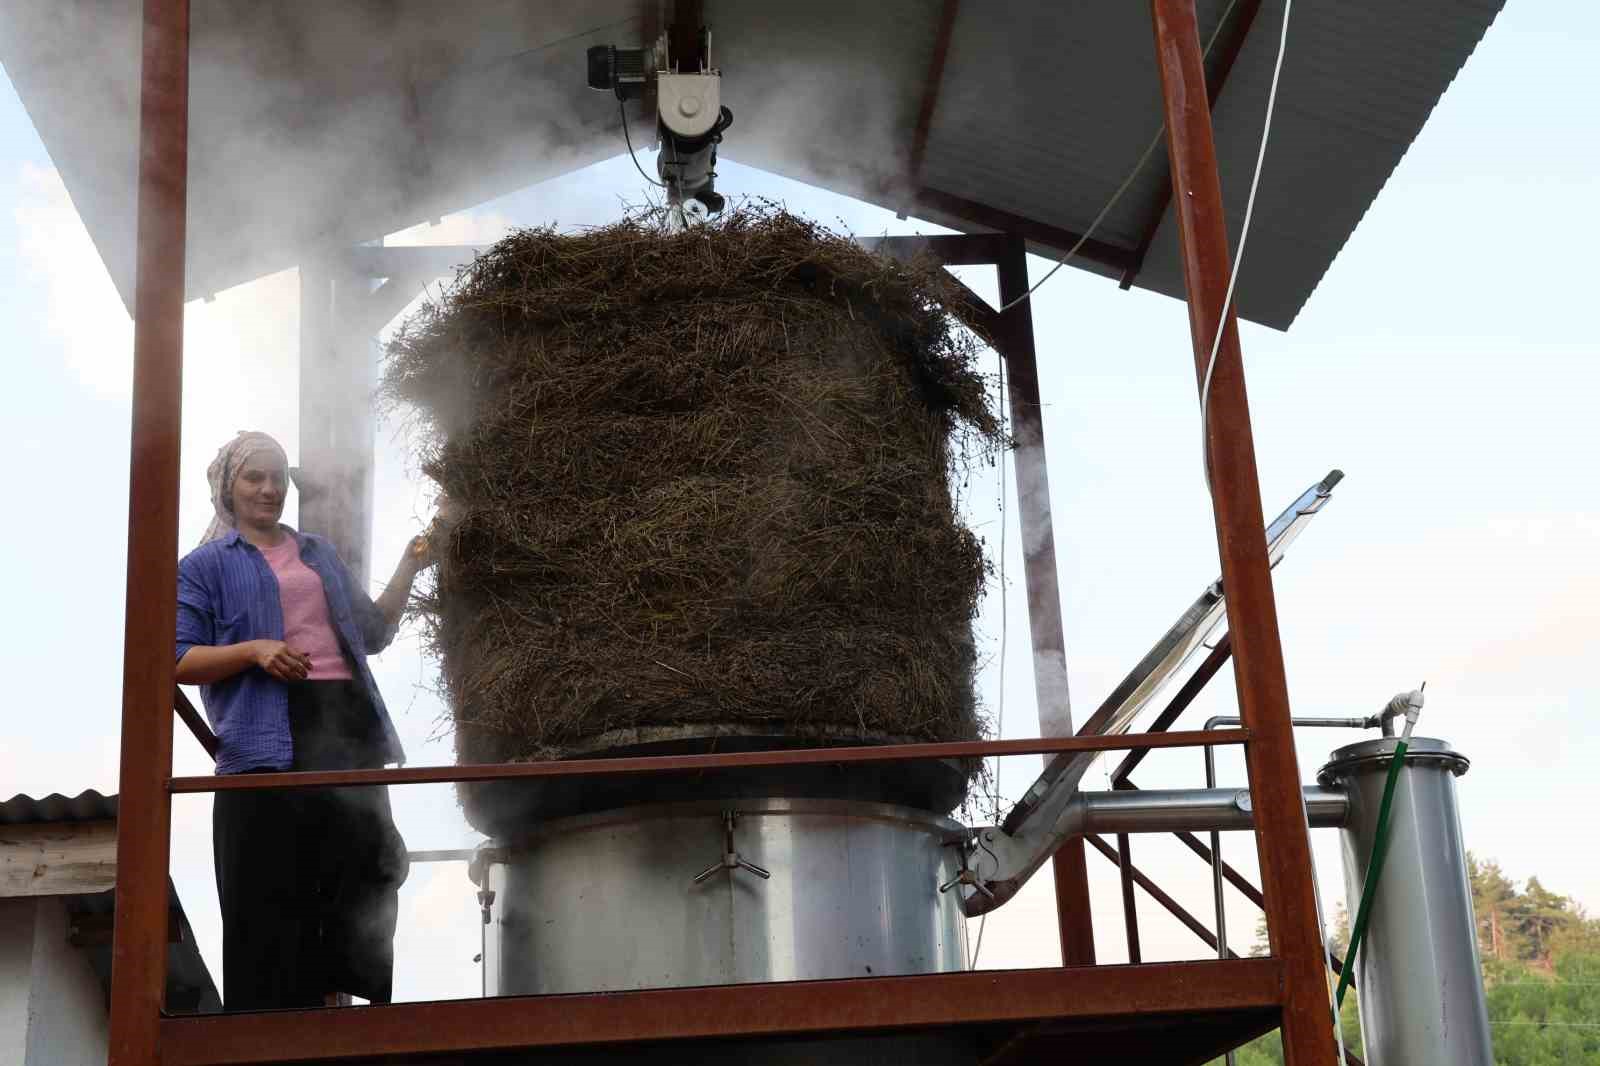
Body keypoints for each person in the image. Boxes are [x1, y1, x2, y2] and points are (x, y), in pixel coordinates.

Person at [175, 430, 432, 1010]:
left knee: (371, 860)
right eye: (254, 478)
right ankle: (269, 1019)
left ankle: (346, 995)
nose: (269, 489)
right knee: (266, 878)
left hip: (345, 721)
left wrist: (410, 565)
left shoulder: (318, 554)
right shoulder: (205, 566)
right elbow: (176, 659)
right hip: (267, 727)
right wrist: (254, 651)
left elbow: (370, 633)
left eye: (277, 477)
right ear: (228, 488)